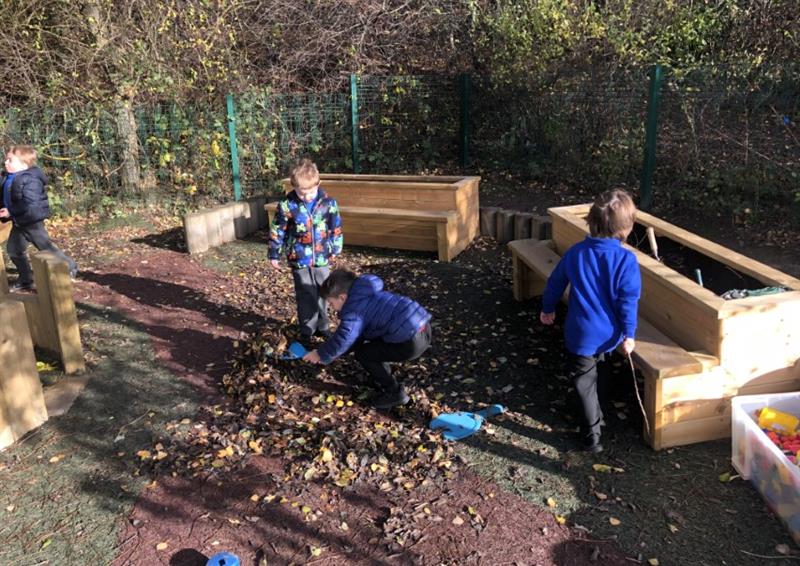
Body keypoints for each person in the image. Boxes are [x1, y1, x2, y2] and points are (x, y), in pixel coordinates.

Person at [539, 189, 641, 453]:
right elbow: (628, 301)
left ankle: (591, 433)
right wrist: (629, 334)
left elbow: (555, 282)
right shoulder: (626, 260)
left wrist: (547, 308)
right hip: (610, 333)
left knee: (584, 380)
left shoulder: (577, 253)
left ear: (590, 221)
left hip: (581, 333)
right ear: (626, 228)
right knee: (599, 370)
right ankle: (597, 417)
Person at [303, 269, 432, 409]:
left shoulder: (354, 311)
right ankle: (380, 377)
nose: (333, 308)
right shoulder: (365, 293)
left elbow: (345, 338)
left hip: (410, 342)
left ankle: (395, 392)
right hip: (423, 326)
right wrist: (336, 353)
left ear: (342, 297)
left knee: (364, 354)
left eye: (331, 303)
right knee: (371, 348)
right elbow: (356, 337)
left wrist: (320, 354)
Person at [269, 158, 343, 344]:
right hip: (299, 258)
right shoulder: (287, 206)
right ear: (293, 187)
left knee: (323, 292)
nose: (307, 197)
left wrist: (335, 247)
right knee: (305, 294)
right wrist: (274, 254)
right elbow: (278, 230)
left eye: (311, 192)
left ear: (318, 184)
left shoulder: (328, 203)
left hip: (322, 258)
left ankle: (323, 326)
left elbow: (336, 227)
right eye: (302, 193)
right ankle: (307, 329)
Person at [1, 145, 77, 291]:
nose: (5, 163)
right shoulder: (8, 177)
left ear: (23, 165)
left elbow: (31, 204)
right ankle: (25, 280)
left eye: (10, 160)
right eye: (6, 160)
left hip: (32, 222)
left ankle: (69, 267)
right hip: (18, 222)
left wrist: (10, 211)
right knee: (14, 250)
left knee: (46, 248)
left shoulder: (30, 179)